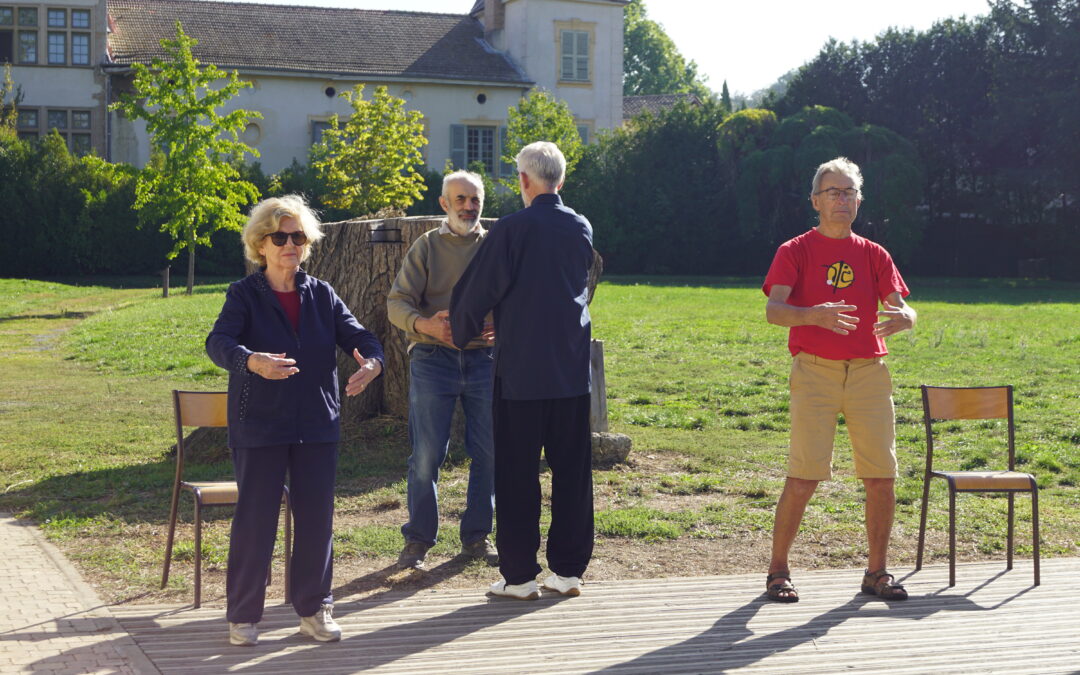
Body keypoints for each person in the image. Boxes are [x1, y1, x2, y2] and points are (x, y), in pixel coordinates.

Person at [206, 195, 385, 646]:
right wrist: (251, 361)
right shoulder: (244, 295)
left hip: (316, 425)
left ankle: (314, 609)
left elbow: (359, 336)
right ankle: (243, 616)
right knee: (256, 521)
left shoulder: (322, 293)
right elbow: (218, 343)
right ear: (260, 244)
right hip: (260, 425)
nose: (290, 244)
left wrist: (373, 363)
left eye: (298, 236)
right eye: (280, 236)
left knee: (316, 520)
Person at [762, 157, 916, 603]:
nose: (842, 199)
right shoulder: (794, 251)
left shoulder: (875, 253)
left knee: (881, 476)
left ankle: (877, 573)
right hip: (815, 371)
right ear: (815, 201)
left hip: (870, 371)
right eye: (833, 192)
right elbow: (774, 311)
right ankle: (777, 570)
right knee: (805, 474)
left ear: (859, 201)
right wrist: (815, 316)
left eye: (850, 192)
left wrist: (906, 317)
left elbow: (902, 305)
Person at [450, 141, 594, 600]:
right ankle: (569, 571)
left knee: (516, 474)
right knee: (572, 472)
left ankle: (518, 577)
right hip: (571, 370)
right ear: (561, 181)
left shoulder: (511, 229)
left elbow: (477, 291)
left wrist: (462, 328)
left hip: (521, 374)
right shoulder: (580, 226)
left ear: (524, 181)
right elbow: (581, 285)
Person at [386, 170, 497, 570]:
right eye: (461, 199)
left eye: (475, 199)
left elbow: (519, 299)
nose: (469, 206)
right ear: (444, 204)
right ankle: (418, 538)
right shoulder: (427, 246)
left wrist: (503, 323)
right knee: (427, 453)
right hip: (433, 359)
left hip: (485, 360)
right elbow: (396, 304)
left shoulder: (496, 245)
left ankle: (477, 538)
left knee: (489, 451)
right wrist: (426, 324)